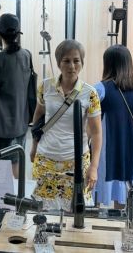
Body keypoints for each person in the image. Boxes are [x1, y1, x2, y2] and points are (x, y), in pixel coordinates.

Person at [30, 39, 102, 211]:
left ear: (82, 63)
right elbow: (38, 116)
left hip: (76, 162)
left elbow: (97, 133)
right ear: (58, 63)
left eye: (76, 61)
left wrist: (94, 167)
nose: (72, 66)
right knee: (42, 212)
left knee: (75, 212)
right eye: (66, 61)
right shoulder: (45, 87)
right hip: (46, 160)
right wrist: (34, 146)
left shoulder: (90, 93)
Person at [94, 45, 133, 206]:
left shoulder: (100, 89)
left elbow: (90, 120)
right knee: (126, 192)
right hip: (131, 148)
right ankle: (123, 218)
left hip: (104, 148)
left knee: (98, 189)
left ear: (107, 64)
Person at [0, 13, 32, 178]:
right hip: (20, 121)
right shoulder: (26, 55)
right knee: (15, 162)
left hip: (1, 124)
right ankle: (15, 192)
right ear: (18, 33)